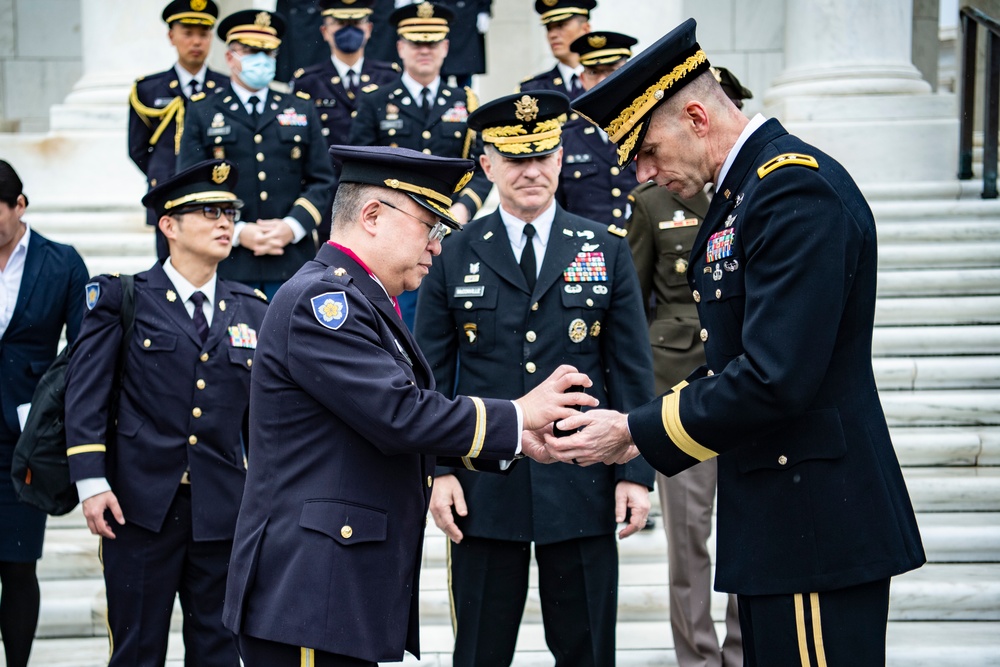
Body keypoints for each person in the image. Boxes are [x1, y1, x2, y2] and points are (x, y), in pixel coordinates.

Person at [554, 19, 926, 666]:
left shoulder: (791, 189)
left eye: (646, 150)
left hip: (814, 522)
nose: (642, 173)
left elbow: (774, 375)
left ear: (696, 116)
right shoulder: (743, 194)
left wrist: (636, 431)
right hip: (779, 523)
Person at [221, 144, 597, 666]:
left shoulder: (360, 299)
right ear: (373, 216)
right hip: (311, 591)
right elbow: (399, 414)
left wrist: (513, 442)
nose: (438, 247)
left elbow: (381, 425)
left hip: (334, 588)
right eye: (430, 227)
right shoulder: (323, 303)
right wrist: (517, 414)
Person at [414, 91, 655, 667]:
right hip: (482, 482)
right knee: (479, 648)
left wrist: (635, 472)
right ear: (488, 164)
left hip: (582, 475)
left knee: (588, 648)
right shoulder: (452, 252)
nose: (532, 170)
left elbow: (629, 367)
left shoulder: (605, 247)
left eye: (543, 155)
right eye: (515, 158)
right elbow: (431, 371)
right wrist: (437, 470)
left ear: (561, 158)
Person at [64, 160, 269, 667]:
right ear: (169, 226)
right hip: (137, 509)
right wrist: (91, 483)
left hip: (221, 510)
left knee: (220, 651)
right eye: (208, 211)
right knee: (137, 647)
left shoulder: (252, 308)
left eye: (230, 212)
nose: (225, 223)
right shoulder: (124, 297)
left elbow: (261, 421)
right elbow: (85, 394)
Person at [623, 66, 754, 667]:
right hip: (680, 385)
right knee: (689, 541)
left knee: (748, 535)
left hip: (746, 387)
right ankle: (697, 657)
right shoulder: (651, 203)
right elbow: (635, 296)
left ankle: (741, 650)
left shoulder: (754, 192)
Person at [349, 1, 492, 328]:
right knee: (397, 323)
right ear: (400, 47)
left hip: (451, 235)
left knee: (452, 323)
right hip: (393, 237)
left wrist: (462, 210)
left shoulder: (466, 103)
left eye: (432, 42)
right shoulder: (376, 101)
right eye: (415, 42)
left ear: (446, 47)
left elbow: (482, 170)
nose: (424, 50)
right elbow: (359, 170)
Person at [178, 9, 337, 299]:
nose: (261, 59)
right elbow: (192, 184)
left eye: (268, 52)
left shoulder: (300, 107)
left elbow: (322, 179)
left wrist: (292, 226)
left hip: (291, 258)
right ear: (230, 58)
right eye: (251, 51)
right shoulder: (202, 111)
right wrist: (237, 231)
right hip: (228, 257)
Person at [0, 160, 88, 667]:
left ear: (20, 207)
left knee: (17, 565)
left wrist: (51, 419)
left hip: (23, 440)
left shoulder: (61, 263)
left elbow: (84, 351)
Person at [129, 0, 230, 262]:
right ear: (171, 36)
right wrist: (162, 176)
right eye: (188, 33)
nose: (196, 42)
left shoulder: (226, 88)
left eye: (203, 34)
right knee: (167, 269)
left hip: (214, 194)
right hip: (167, 194)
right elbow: (137, 148)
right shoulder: (148, 89)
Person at [292, 0, 401, 151]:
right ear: (324, 31)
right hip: (329, 171)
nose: (349, 30)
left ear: (369, 29)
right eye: (340, 23)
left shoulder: (389, 78)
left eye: (356, 23)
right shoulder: (308, 82)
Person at [557, 31, 638, 224]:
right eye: (594, 72)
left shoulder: (651, 130)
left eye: (611, 70)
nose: (602, 80)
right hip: (587, 250)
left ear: (629, 74)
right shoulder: (565, 139)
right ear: (583, 80)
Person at [516, 0, 595, 99]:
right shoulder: (533, 90)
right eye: (549, 28)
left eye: (561, 25)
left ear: (585, 29)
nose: (552, 35)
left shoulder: (605, 80)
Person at [437, 0, 493, 88]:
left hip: (468, 15)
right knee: (439, 72)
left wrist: (484, 9)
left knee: (465, 77)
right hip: (441, 12)